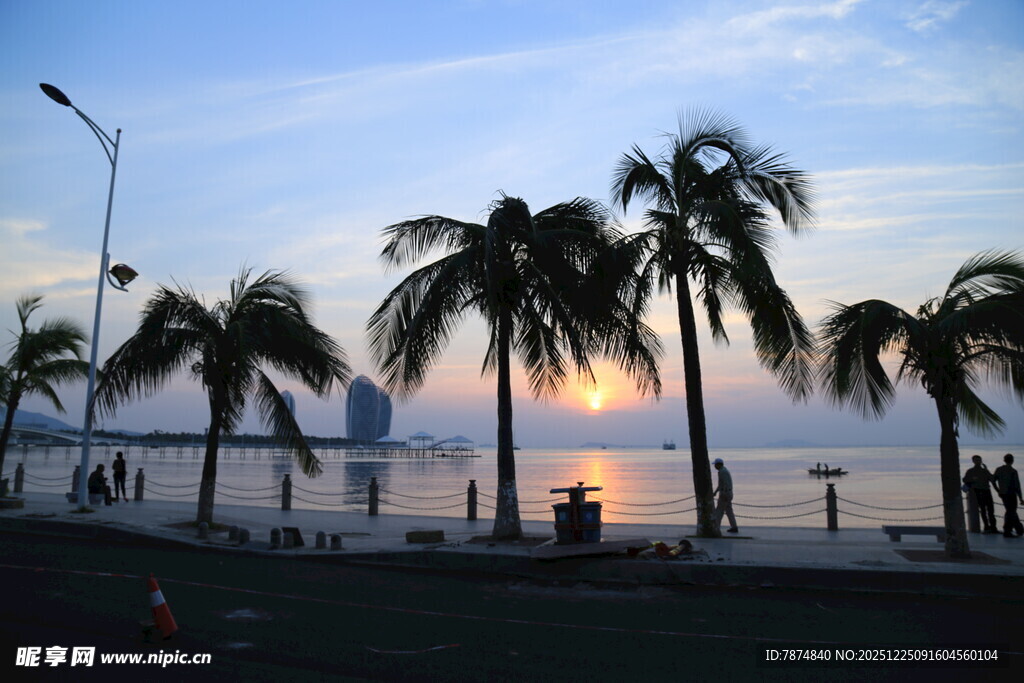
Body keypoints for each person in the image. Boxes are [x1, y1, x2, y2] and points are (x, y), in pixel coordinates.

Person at [963, 455, 997, 533]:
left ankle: (993, 527)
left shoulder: (985, 471)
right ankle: (986, 527)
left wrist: (987, 470)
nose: (978, 462)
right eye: (976, 460)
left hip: (987, 491)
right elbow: (965, 479)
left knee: (991, 510)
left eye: (979, 460)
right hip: (978, 492)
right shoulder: (970, 471)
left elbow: (992, 479)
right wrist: (972, 479)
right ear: (973, 461)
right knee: (983, 510)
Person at [993, 453, 1024, 538]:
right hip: (1011, 494)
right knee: (1011, 512)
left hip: (1003, 494)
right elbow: (1017, 486)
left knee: (1010, 512)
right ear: (1012, 461)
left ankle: (1019, 529)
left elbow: (993, 480)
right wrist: (1021, 498)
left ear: (1004, 460)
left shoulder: (999, 469)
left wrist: (998, 490)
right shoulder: (1013, 471)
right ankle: (1008, 531)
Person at [712, 457, 738, 533]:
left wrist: (722, 493)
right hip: (729, 493)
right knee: (729, 511)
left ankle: (716, 527)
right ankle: (734, 527)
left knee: (719, 511)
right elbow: (721, 484)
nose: (714, 466)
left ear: (718, 465)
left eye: (715, 465)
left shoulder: (722, 472)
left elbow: (723, 484)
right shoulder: (724, 470)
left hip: (725, 494)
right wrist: (716, 492)